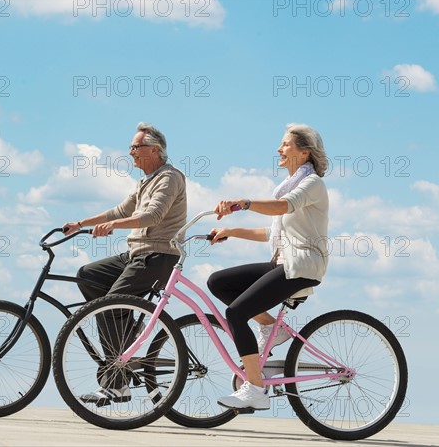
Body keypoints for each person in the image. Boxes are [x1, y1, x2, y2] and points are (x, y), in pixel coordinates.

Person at [62, 122, 187, 405]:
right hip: (136, 255)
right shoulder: (146, 180)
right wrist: (80, 223)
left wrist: (113, 225)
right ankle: (127, 334)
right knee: (88, 275)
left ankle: (117, 384)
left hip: (158, 256)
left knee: (108, 306)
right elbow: (120, 210)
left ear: (155, 149)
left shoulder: (170, 178)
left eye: (136, 147)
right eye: (130, 147)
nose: (130, 152)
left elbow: (153, 216)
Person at [207, 123, 329, 411]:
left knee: (236, 313)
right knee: (218, 283)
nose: (279, 149)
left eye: (285, 144)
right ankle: (272, 327)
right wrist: (232, 231)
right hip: (283, 261)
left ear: (304, 152)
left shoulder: (312, 185)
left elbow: (282, 207)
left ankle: (255, 389)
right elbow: (272, 232)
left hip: (302, 266)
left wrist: (244, 203)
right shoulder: (290, 186)